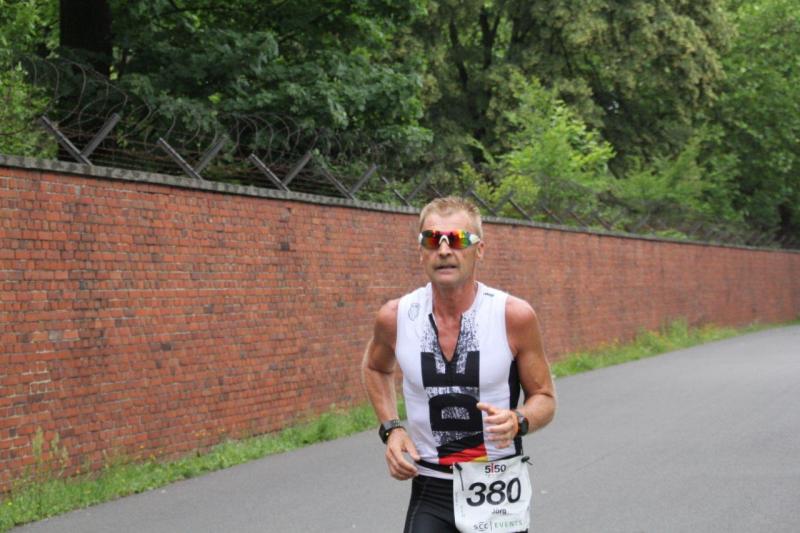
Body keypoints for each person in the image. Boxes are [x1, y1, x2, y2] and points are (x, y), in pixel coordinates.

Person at [361, 196, 557, 533]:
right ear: (420, 250)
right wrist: (392, 429)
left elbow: (545, 398)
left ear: (479, 249)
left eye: (457, 239)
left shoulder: (512, 315)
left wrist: (518, 420)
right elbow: (375, 367)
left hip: (496, 488)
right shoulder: (396, 316)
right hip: (431, 486)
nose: (444, 249)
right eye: (432, 239)